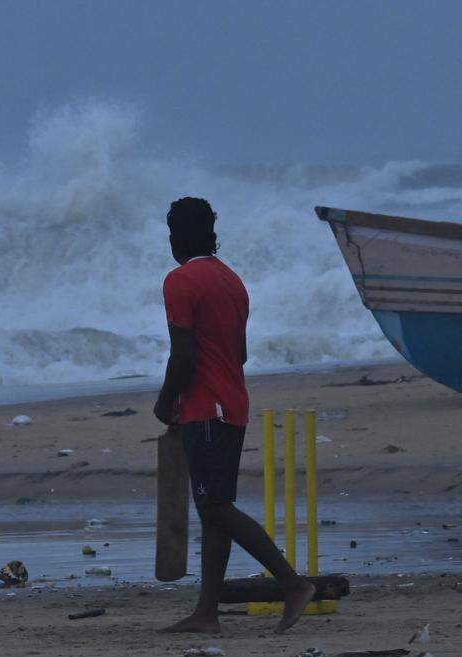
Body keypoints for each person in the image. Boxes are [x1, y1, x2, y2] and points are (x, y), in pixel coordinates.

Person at [153, 197, 314, 635]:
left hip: (207, 409)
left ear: (177, 237)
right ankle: (207, 613)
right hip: (234, 405)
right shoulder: (232, 280)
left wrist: (165, 401)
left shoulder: (180, 280)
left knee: (216, 506)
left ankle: (293, 583)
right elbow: (239, 353)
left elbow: (183, 355)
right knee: (214, 509)